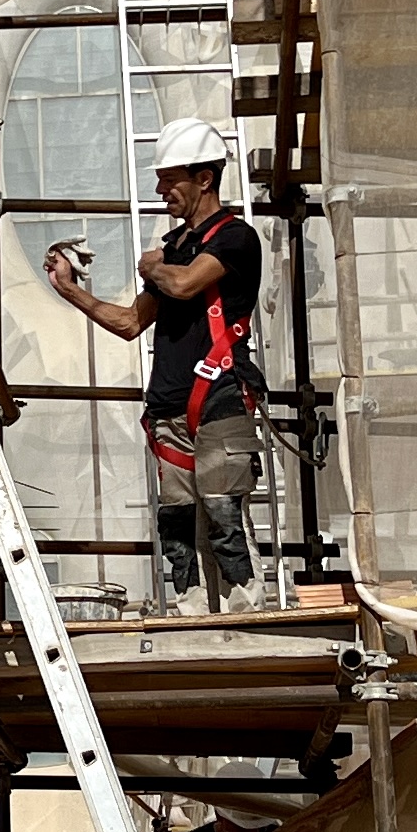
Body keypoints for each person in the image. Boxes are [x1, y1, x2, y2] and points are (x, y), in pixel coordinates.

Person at [40, 116, 266, 610]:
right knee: (179, 523)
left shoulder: (234, 238)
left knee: (225, 513)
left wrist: (153, 266)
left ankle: (245, 612)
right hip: (168, 407)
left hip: (218, 398)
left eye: (171, 179)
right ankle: (189, 612)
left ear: (204, 178)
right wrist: (69, 288)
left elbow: (185, 285)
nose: (161, 189)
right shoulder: (175, 249)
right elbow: (128, 323)